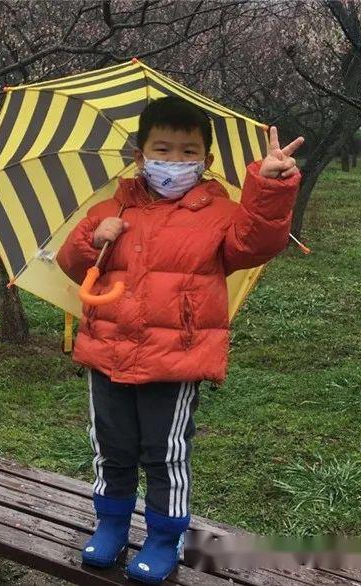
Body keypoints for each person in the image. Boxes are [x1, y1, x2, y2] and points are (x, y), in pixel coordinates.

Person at [55, 96, 303, 584]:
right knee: (111, 446)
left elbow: (256, 242)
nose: (173, 161)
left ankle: (165, 536)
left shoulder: (221, 214)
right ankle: (110, 525)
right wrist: (91, 239)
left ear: (205, 160)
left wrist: (270, 186)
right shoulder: (111, 208)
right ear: (140, 154)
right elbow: (70, 262)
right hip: (108, 353)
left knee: (166, 453)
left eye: (187, 152)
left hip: (175, 358)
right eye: (161, 149)